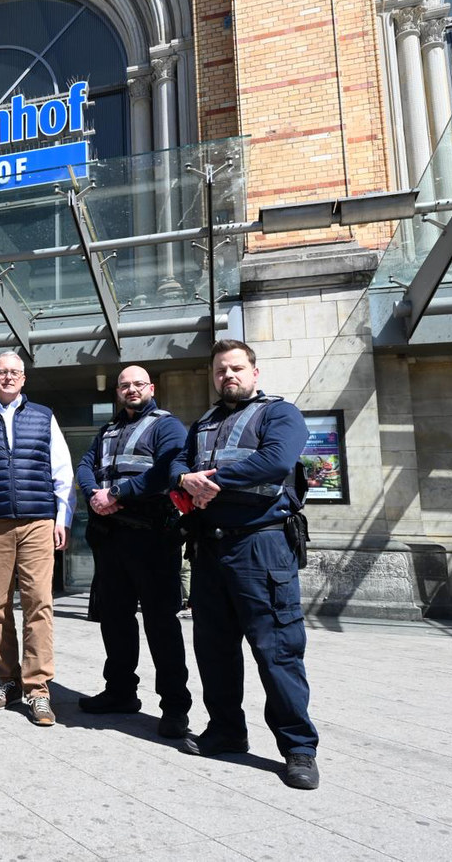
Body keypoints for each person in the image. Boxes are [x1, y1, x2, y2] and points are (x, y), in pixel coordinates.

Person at [171, 338, 320, 790]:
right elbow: (179, 458)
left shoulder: (280, 413)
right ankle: (226, 731)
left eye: (236, 368)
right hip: (210, 549)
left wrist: (210, 482)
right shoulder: (204, 422)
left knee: (277, 650)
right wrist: (184, 476)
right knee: (213, 650)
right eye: (220, 371)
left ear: (254, 373)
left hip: (261, 546)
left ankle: (298, 748)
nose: (228, 376)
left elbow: (275, 461)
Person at [0, 351, 75, 727]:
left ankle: (37, 689)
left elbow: (63, 472)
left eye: (15, 372)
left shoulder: (44, 416)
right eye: (1, 372)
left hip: (38, 521)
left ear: (24, 379)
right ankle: (7, 681)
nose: (8, 377)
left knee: (39, 603)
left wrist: (63, 517)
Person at [76, 365, 193, 737]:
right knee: (115, 620)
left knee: (161, 624)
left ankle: (175, 708)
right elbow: (85, 464)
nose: (130, 389)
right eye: (124, 385)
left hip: (152, 538)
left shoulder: (167, 425)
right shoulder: (109, 428)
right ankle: (120, 692)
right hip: (111, 538)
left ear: (151, 387)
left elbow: (165, 470)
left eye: (137, 384)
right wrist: (93, 494)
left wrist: (116, 494)